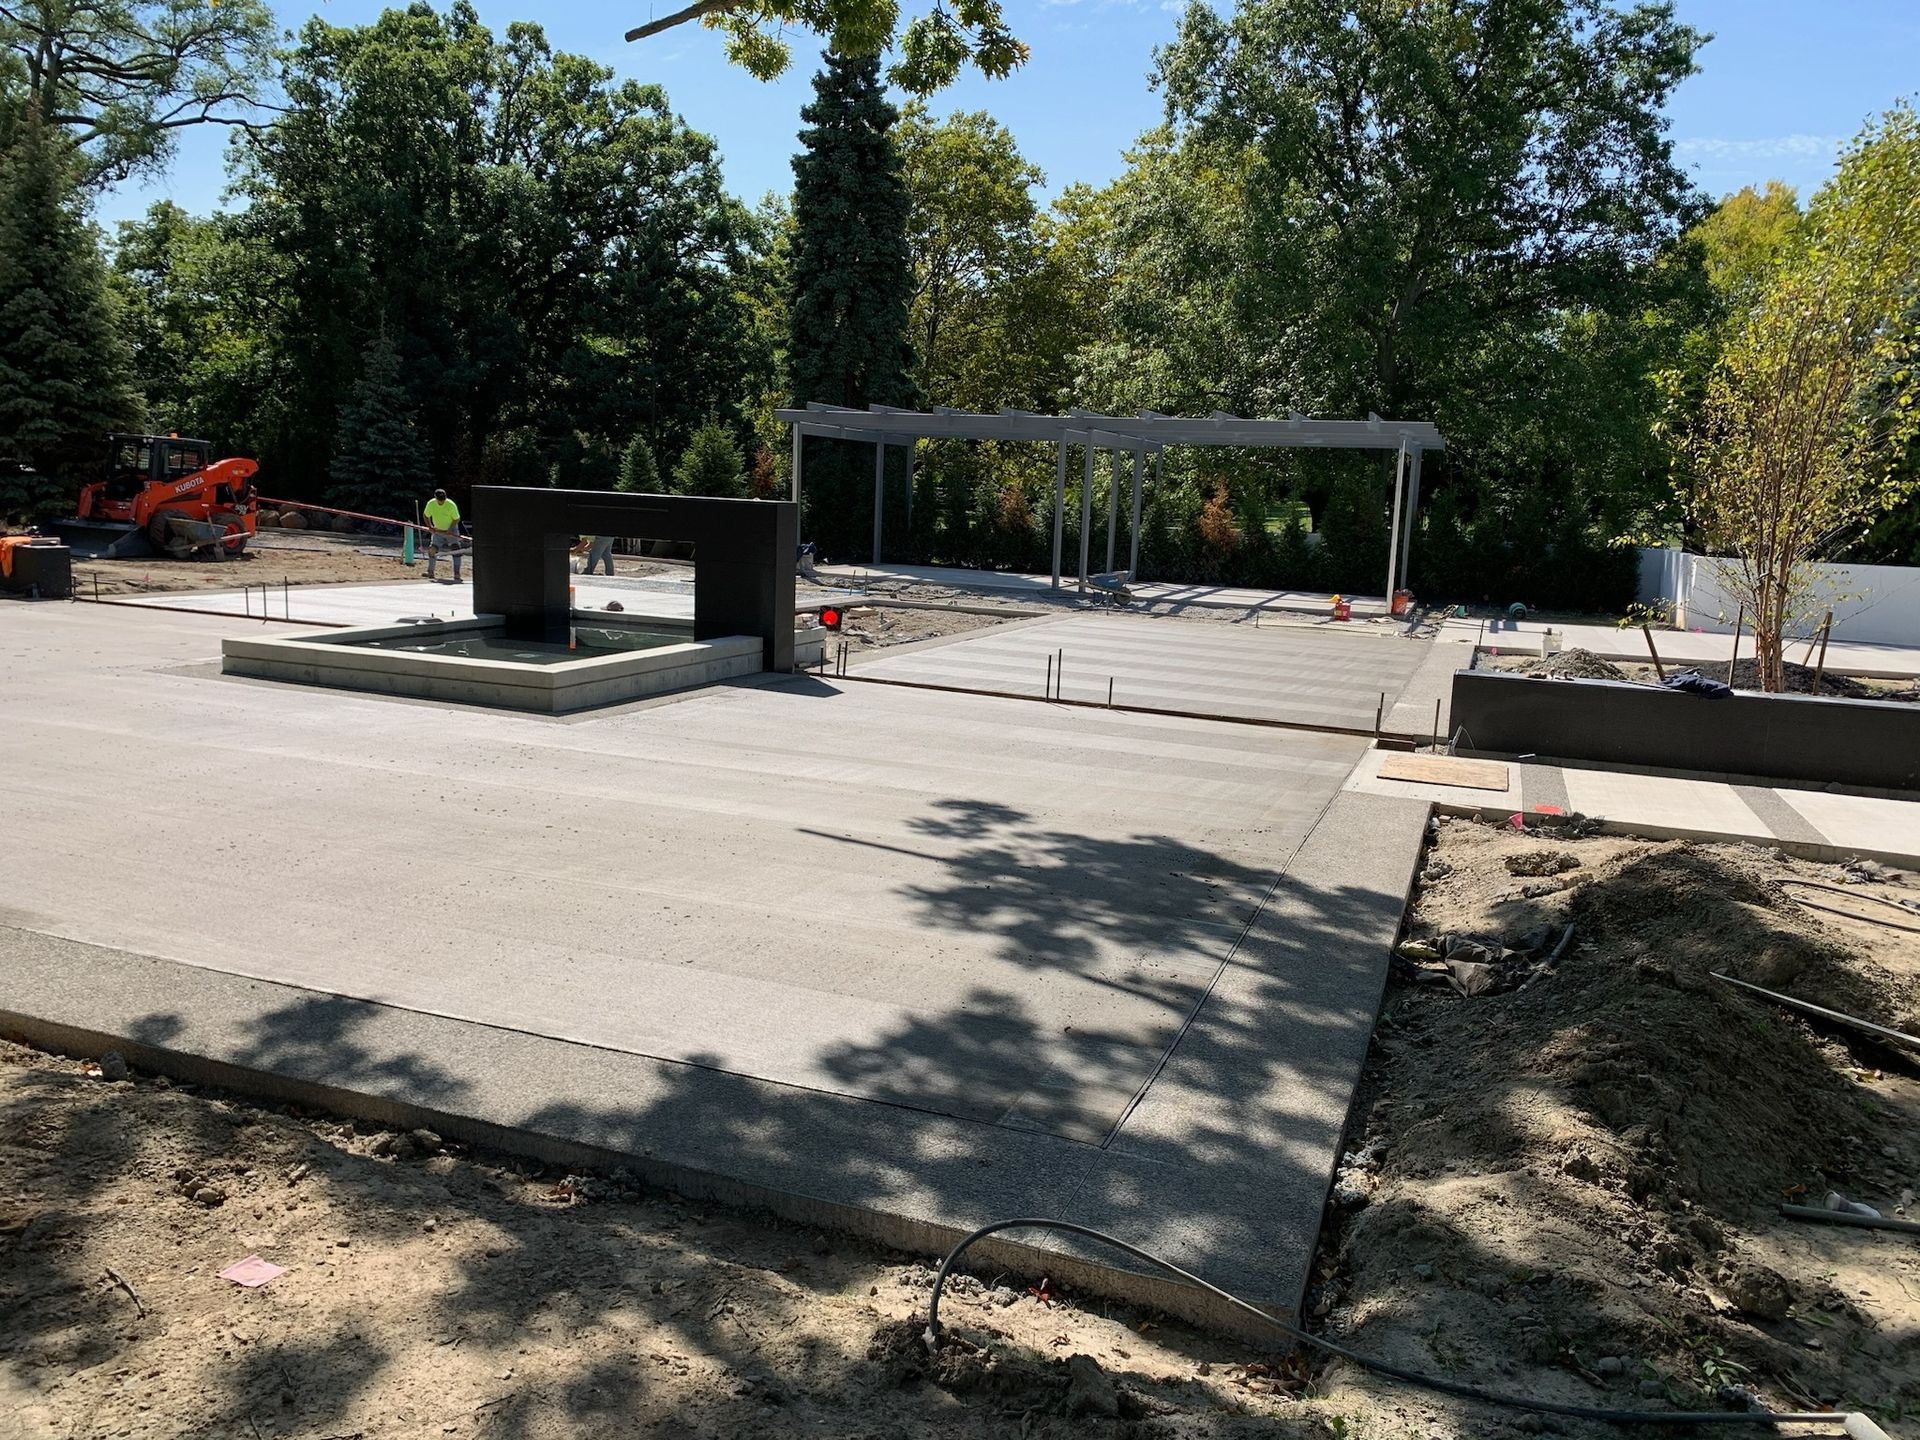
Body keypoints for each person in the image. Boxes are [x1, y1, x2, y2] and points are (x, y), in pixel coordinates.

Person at [423, 488, 463, 582]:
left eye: (443, 500)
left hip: (451, 531)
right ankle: (430, 571)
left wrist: (450, 529)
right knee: (432, 549)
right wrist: (430, 527)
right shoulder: (431, 504)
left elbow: (456, 519)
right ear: (435, 498)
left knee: (456, 550)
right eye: (439, 501)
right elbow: (426, 515)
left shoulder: (451, 505)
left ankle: (457, 573)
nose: (441, 502)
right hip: (438, 530)